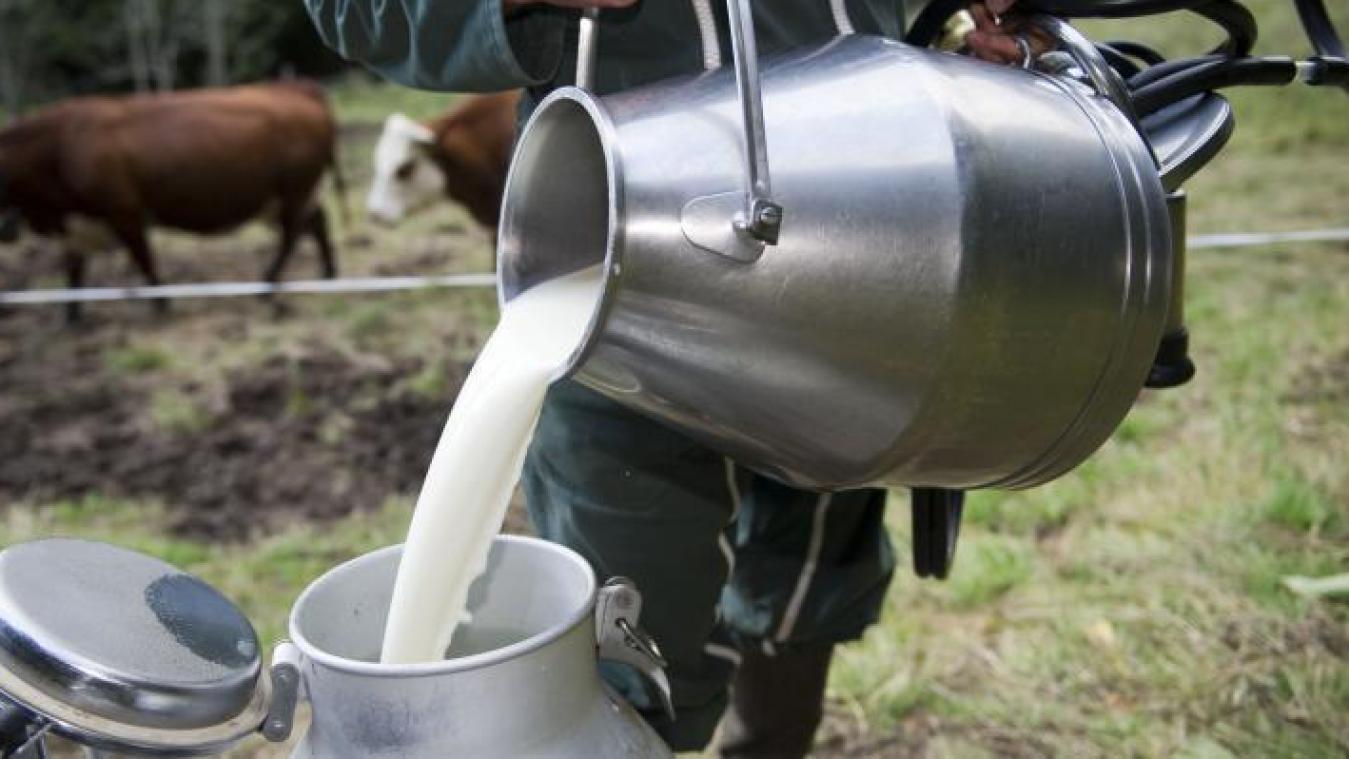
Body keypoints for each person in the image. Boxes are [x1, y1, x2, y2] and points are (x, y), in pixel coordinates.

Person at [305, 1, 1036, 755]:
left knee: (809, 561)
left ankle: (767, 738)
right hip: (617, 243)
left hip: (876, 221)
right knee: (622, 605)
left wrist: (970, 29)